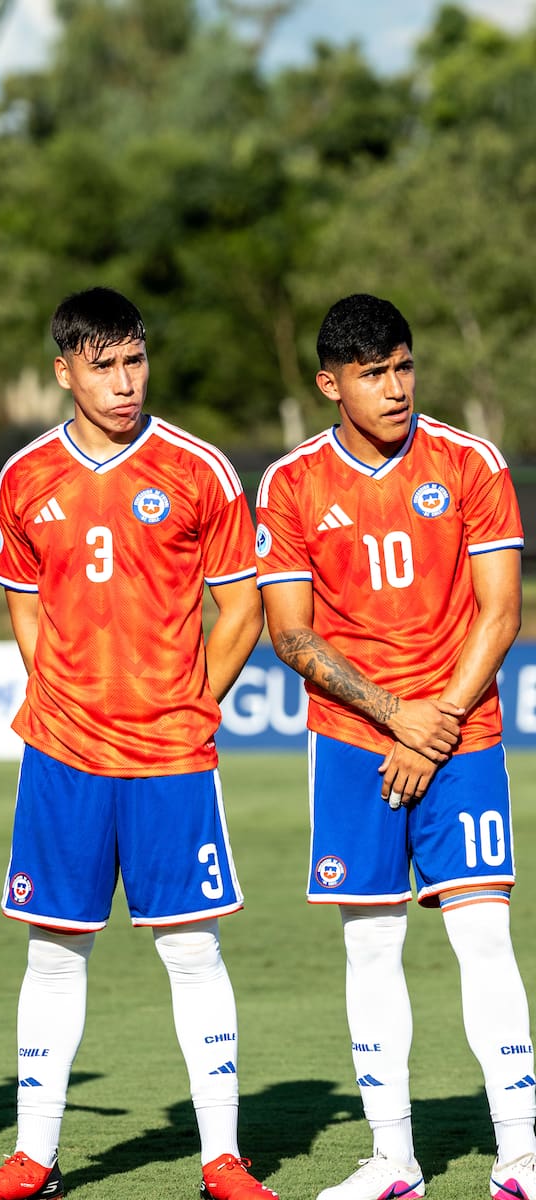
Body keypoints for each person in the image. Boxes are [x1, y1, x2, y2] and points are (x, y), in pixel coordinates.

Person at [0, 287, 274, 1200]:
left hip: (169, 756)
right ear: (65, 371)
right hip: (62, 751)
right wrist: (67, 693)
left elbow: (242, 606)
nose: (126, 382)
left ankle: (222, 1158)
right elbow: (25, 596)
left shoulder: (199, 468)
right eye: (104, 365)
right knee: (54, 950)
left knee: (190, 949)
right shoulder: (22, 478)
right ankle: (34, 1158)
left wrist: (185, 701)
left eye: (136, 361)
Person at [255, 293, 536, 1200]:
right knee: (370, 946)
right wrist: (393, 713)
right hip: (350, 742)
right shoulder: (292, 483)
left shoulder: (470, 462)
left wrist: (436, 721)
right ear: (331, 384)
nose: (395, 387)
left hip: (462, 737)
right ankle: (394, 1160)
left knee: (486, 938)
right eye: (372, 374)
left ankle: (523, 1157)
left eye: (404, 366)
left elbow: (501, 613)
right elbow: (290, 636)